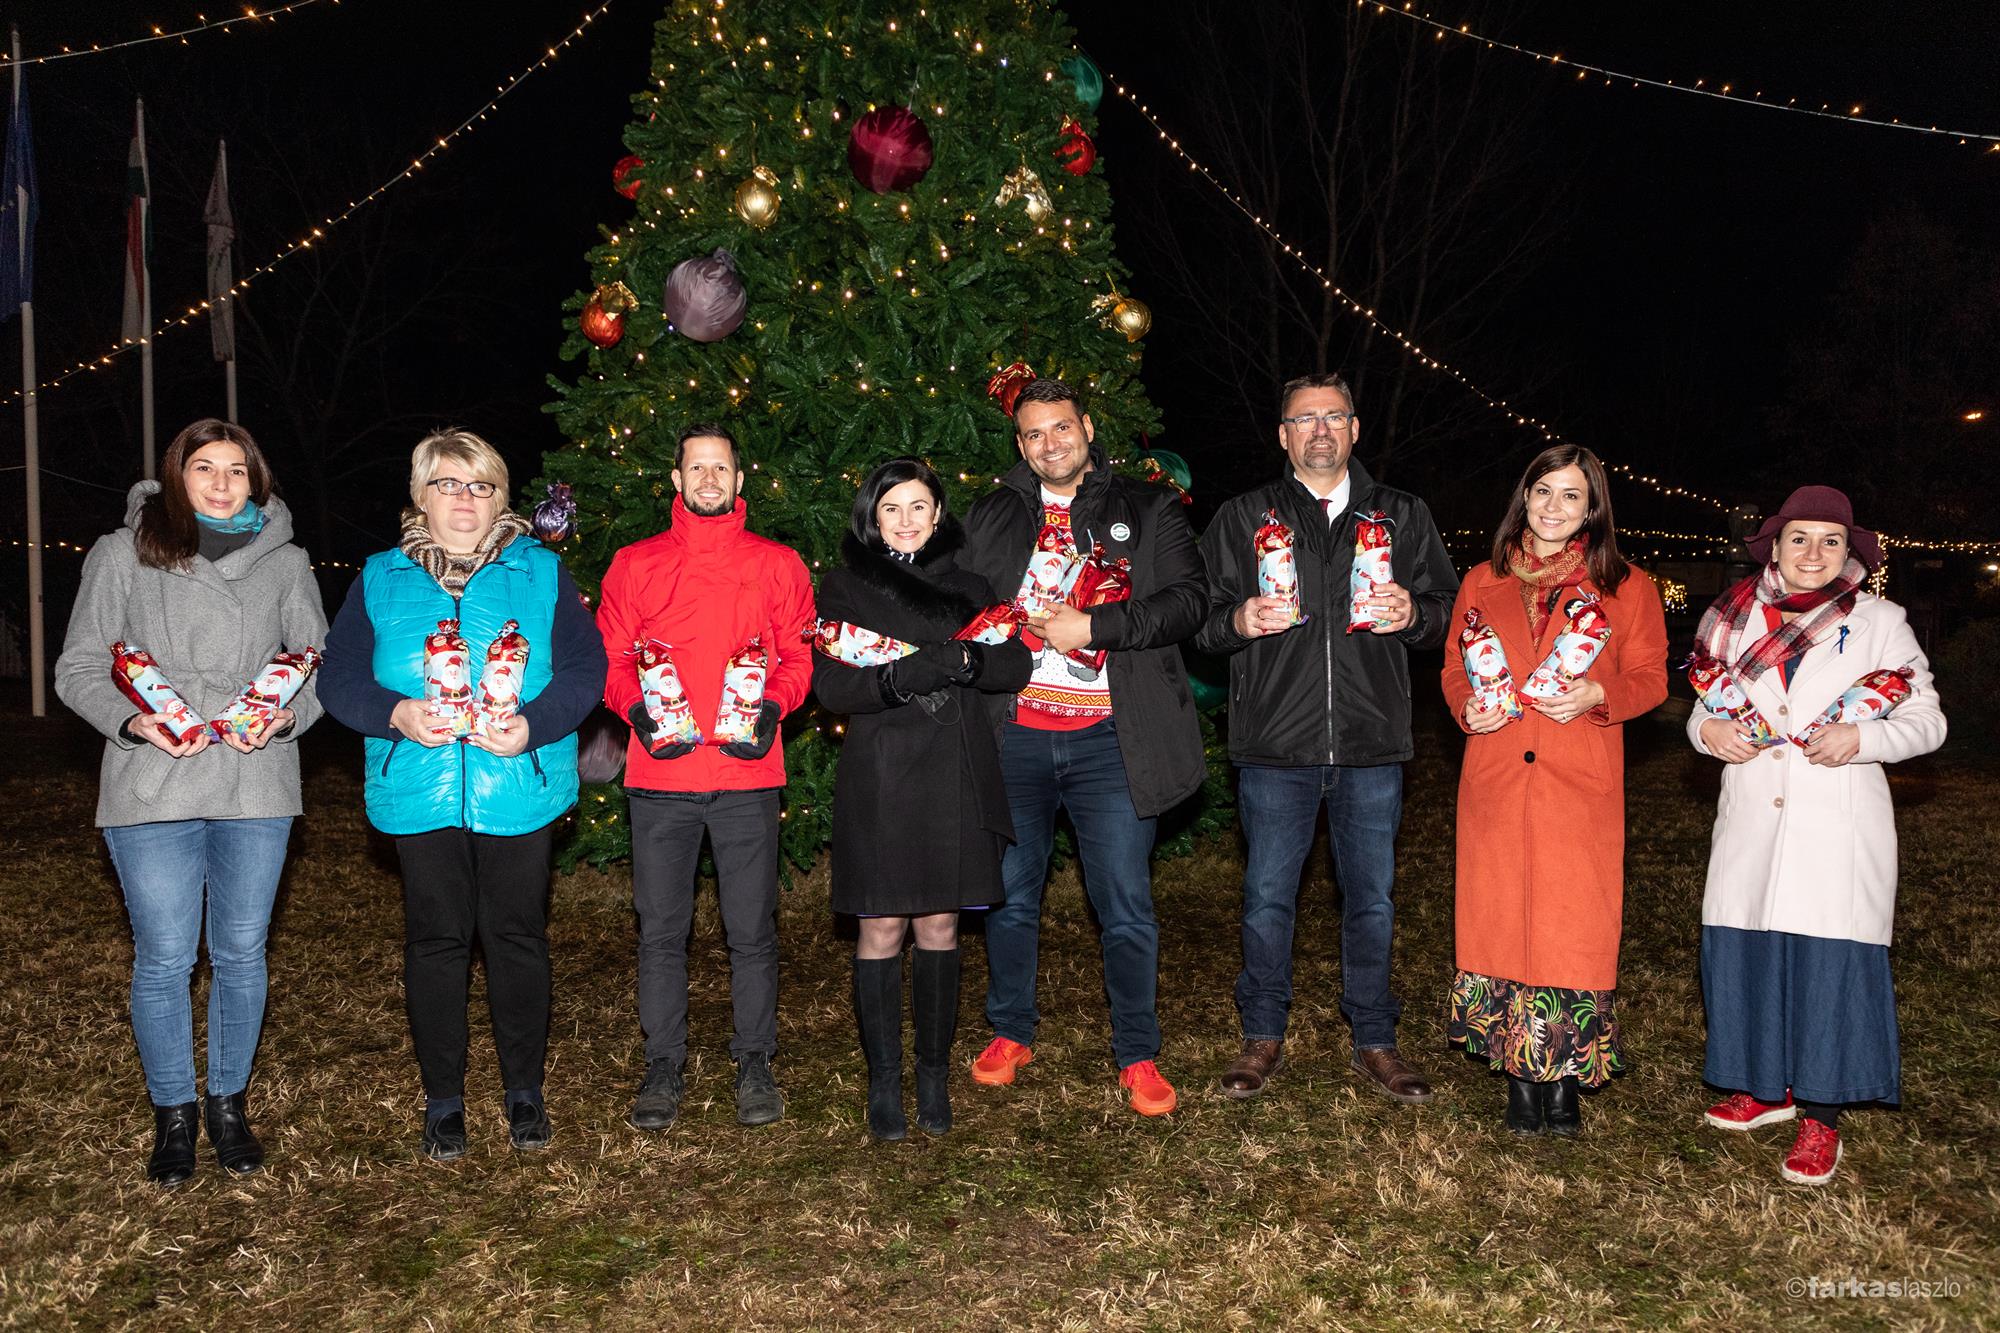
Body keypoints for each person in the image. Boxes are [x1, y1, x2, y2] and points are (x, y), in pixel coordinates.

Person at [318, 429, 606, 1160]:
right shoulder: (379, 577)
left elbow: (585, 670)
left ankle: (523, 1091)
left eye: (481, 485)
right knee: (437, 941)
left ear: (502, 498)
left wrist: (534, 725)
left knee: (517, 938)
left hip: (518, 785)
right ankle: (443, 1098)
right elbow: (338, 677)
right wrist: (396, 712)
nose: (465, 499)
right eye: (448, 483)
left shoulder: (540, 572)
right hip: (420, 787)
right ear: (421, 496)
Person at [55, 418, 327, 1186]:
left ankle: (228, 1105)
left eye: (235, 470)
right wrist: (133, 718)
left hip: (255, 776)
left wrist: (288, 713)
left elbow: (320, 662)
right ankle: (173, 1113)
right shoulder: (122, 551)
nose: (219, 482)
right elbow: (78, 665)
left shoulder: (288, 561)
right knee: (166, 956)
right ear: (176, 475)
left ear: (256, 481)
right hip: (153, 781)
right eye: (203, 467)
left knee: (241, 953)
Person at [1194, 373, 1457, 1105]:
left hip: (1372, 743)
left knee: (1371, 899)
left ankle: (1375, 1038)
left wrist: (1415, 613)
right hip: (1275, 743)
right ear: (1283, 435)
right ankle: (1262, 1033)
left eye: (1333, 415)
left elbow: (1451, 611)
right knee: (1266, 898)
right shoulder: (1244, 516)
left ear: (1355, 428)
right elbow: (1201, 620)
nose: (1319, 429)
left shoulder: (1401, 514)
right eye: (1303, 418)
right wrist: (1239, 620)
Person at [959, 377, 1207, 1117]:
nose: (1049, 444)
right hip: (1018, 739)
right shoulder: (992, 513)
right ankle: (1010, 1030)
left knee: (1125, 904)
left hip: (1111, 740)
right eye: (1033, 434)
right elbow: (960, 603)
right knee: (1009, 898)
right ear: (1020, 444)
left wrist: (1096, 628)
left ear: (1088, 428)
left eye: (1061, 428)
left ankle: (1137, 1051)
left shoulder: (1149, 506)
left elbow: (1190, 602)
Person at [1688, 485, 1944, 1185]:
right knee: (1754, 952)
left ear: (1849, 554)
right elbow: (1705, 706)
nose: (1813, 552)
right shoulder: (1732, 617)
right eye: (1799, 537)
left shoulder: (1880, 621)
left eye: (1830, 541)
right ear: (1775, 545)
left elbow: (1928, 722)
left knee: (1827, 968)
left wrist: (1860, 736)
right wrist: (1708, 732)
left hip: (1836, 822)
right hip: (1753, 821)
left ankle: (1820, 1117)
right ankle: (1768, 1087)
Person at [1439, 446, 1667, 1135]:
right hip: (1499, 777)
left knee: (1573, 927)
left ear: (1593, 507)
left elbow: (1653, 678)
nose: (1555, 507)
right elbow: (1455, 666)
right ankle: (1518, 1077)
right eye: (1544, 491)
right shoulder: (1482, 579)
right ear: (1524, 497)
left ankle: (1563, 1078)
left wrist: (1601, 691)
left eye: (1573, 496)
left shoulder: (1630, 586)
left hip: (1578, 782)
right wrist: (1465, 708)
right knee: (1502, 918)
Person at [596, 423, 814, 1130]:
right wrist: (636, 711)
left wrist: (773, 707)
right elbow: (610, 656)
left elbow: (797, 655)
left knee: (751, 929)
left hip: (748, 778)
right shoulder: (636, 562)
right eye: (698, 467)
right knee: (662, 931)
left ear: (740, 480)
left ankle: (754, 1058)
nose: (710, 478)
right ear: (677, 479)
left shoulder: (779, 564)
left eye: (722, 466)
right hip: (661, 778)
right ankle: (664, 1062)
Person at [811, 459, 1034, 1139]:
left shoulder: (969, 586)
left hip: (955, 769)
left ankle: (932, 1075)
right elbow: (832, 688)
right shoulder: (846, 588)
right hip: (880, 772)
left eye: (918, 507)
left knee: (940, 924)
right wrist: (904, 673)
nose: (906, 520)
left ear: (939, 514)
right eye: (891, 509)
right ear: (871, 520)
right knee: (880, 926)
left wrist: (969, 662)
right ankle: (884, 1083)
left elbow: (1015, 661)